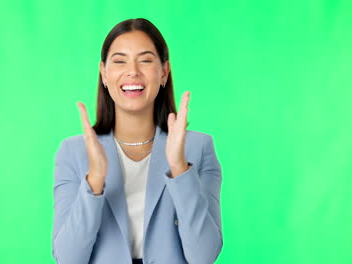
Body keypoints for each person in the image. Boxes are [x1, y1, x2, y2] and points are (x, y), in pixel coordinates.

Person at [52, 18, 223, 264]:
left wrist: (179, 169)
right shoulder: (73, 152)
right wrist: (95, 180)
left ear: (164, 72)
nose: (132, 71)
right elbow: (68, 259)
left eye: (145, 60)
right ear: (104, 73)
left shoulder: (199, 148)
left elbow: (203, 257)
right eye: (120, 61)